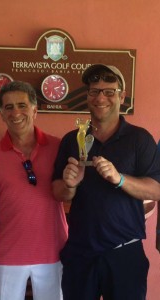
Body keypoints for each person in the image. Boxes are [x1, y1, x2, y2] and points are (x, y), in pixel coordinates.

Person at [52, 64, 160, 300]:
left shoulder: (139, 139)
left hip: (125, 254)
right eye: (94, 91)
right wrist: (70, 184)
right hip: (80, 252)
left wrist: (119, 179)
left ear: (122, 96)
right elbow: (57, 192)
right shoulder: (73, 139)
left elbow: (156, 189)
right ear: (87, 96)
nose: (101, 97)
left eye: (109, 91)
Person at [0, 81, 68, 300]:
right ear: (2, 114)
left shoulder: (59, 147)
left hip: (54, 252)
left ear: (35, 111)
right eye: (8, 107)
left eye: (22, 105)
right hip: (6, 255)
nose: (15, 112)